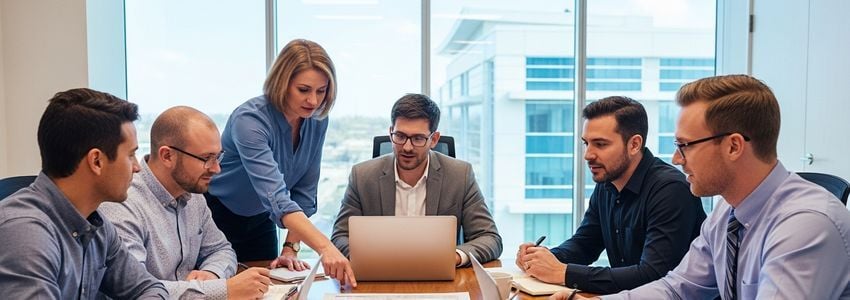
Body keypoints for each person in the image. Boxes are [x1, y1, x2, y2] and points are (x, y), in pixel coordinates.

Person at [556, 75, 850, 300]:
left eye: (685, 146)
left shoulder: (805, 226)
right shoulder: (729, 213)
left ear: (734, 146)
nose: (675, 158)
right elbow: (677, 288)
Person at [517, 96, 706, 294]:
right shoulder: (608, 181)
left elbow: (653, 275)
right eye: (586, 143)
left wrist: (562, 272)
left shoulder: (670, 189)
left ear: (634, 144)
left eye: (600, 144)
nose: (588, 155)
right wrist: (542, 258)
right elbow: (585, 244)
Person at [206, 38, 356, 286]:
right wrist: (325, 248)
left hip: (261, 219)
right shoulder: (250, 120)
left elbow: (303, 193)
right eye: (304, 89)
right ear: (282, 83)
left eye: (322, 91)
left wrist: (290, 248)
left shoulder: (317, 120)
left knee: (267, 287)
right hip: (217, 216)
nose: (313, 101)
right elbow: (277, 195)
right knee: (220, 289)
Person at [0, 88, 167, 298]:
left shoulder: (97, 225)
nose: (137, 167)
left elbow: (149, 288)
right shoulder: (25, 233)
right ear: (96, 161)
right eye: (131, 155)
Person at [99, 106, 271, 299]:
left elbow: (221, 249)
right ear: (167, 156)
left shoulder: (193, 193)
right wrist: (222, 290)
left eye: (218, 157)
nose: (216, 169)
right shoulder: (122, 204)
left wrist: (211, 274)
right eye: (207, 158)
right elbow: (137, 290)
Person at [331, 93, 502, 267]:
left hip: (438, 279)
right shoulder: (362, 176)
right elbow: (340, 236)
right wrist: (367, 258)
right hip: (379, 277)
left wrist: (454, 257)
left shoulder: (460, 175)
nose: (407, 147)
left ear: (434, 139)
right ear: (391, 133)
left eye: (418, 138)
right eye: (400, 136)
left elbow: (490, 238)